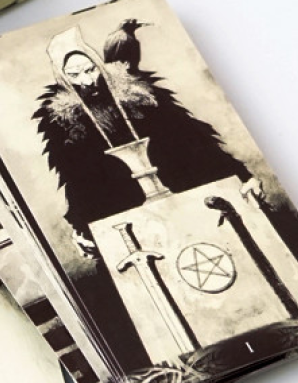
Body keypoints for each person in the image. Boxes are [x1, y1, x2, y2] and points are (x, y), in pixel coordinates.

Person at [34, 27, 257, 256]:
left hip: (183, 194)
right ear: (63, 78)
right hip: (129, 214)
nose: (88, 81)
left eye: (91, 70)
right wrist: (82, 227)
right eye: (74, 75)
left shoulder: (140, 95)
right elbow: (77, 179)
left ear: (98, 64)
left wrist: (241, 175)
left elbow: (193, 139)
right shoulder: (60, 124)